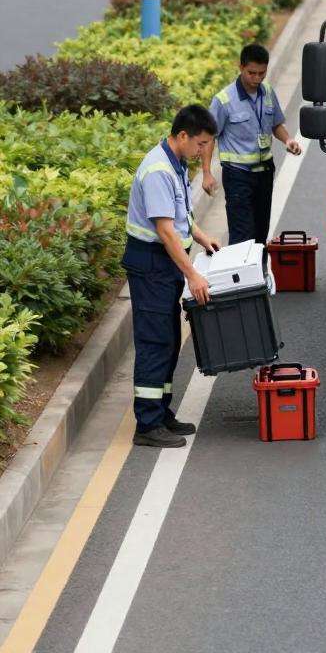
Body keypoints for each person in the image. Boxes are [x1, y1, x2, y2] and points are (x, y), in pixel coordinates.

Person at [123, 106, 221, 448]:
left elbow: (179, 216)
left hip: (163, 266)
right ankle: (147, 424)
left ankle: (161, 413)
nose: (202, 151)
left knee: (167, 339)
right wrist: (193, 274)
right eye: (200, 144)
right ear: (183, 136)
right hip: (151, 264)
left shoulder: (176, 162)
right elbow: (165, 231)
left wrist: (199, 234)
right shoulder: (158, 171)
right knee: (154, 342)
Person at [202, 43, 303, 245]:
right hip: (238, 175)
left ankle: (259, 275)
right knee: (242, 235)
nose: (257, 79)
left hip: (264, 173)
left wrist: (288, 139)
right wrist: (206, 172)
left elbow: (276, 124)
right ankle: (241, 276)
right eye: (252, 73)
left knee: (260, 232)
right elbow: (209, 137)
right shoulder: (224, 100)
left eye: (262, 73)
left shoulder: (267, 92)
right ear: (240, 67)